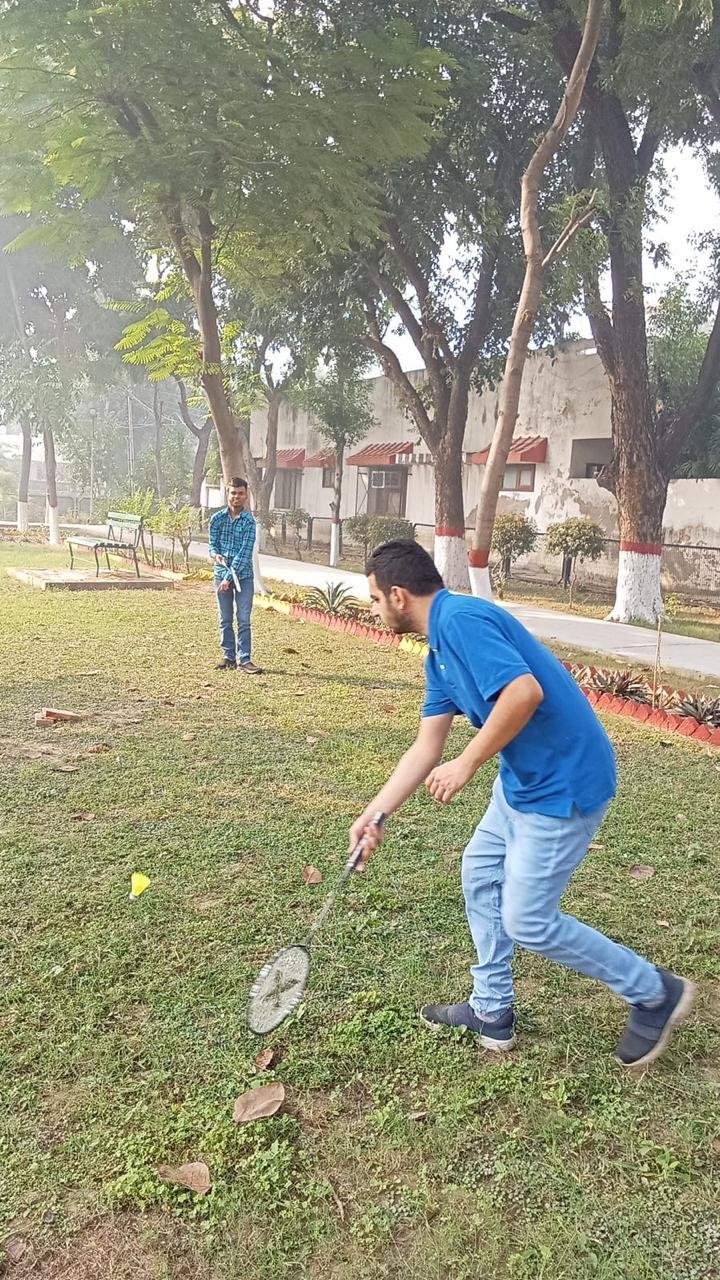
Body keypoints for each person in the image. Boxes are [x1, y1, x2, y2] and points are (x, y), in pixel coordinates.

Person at [349, 540, 695, 1069]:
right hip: (521, 784)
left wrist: (466, 764)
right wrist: (376, 814)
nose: (373, 609)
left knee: (529, 920)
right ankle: (492, 1010)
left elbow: (523, 693)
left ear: (398, 595)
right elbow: (426, 745)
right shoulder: (439, 651)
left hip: (565, 783)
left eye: (374, 599)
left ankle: (653, 991)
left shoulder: (461, 619)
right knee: (480, 872)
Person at [208, 477, 263, 674]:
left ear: (246, 496)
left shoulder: (249, 522)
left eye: (240, 493)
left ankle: (245, 659)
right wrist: (215, 555)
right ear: (227, 493)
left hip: (243, 577)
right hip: (220, 573)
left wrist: (228, 579)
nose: (236, 497)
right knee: (225, 618)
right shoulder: (216, 519)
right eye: (233, 493)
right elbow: (212, 545)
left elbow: (244, 554)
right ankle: (229, 656)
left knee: (243, 618)